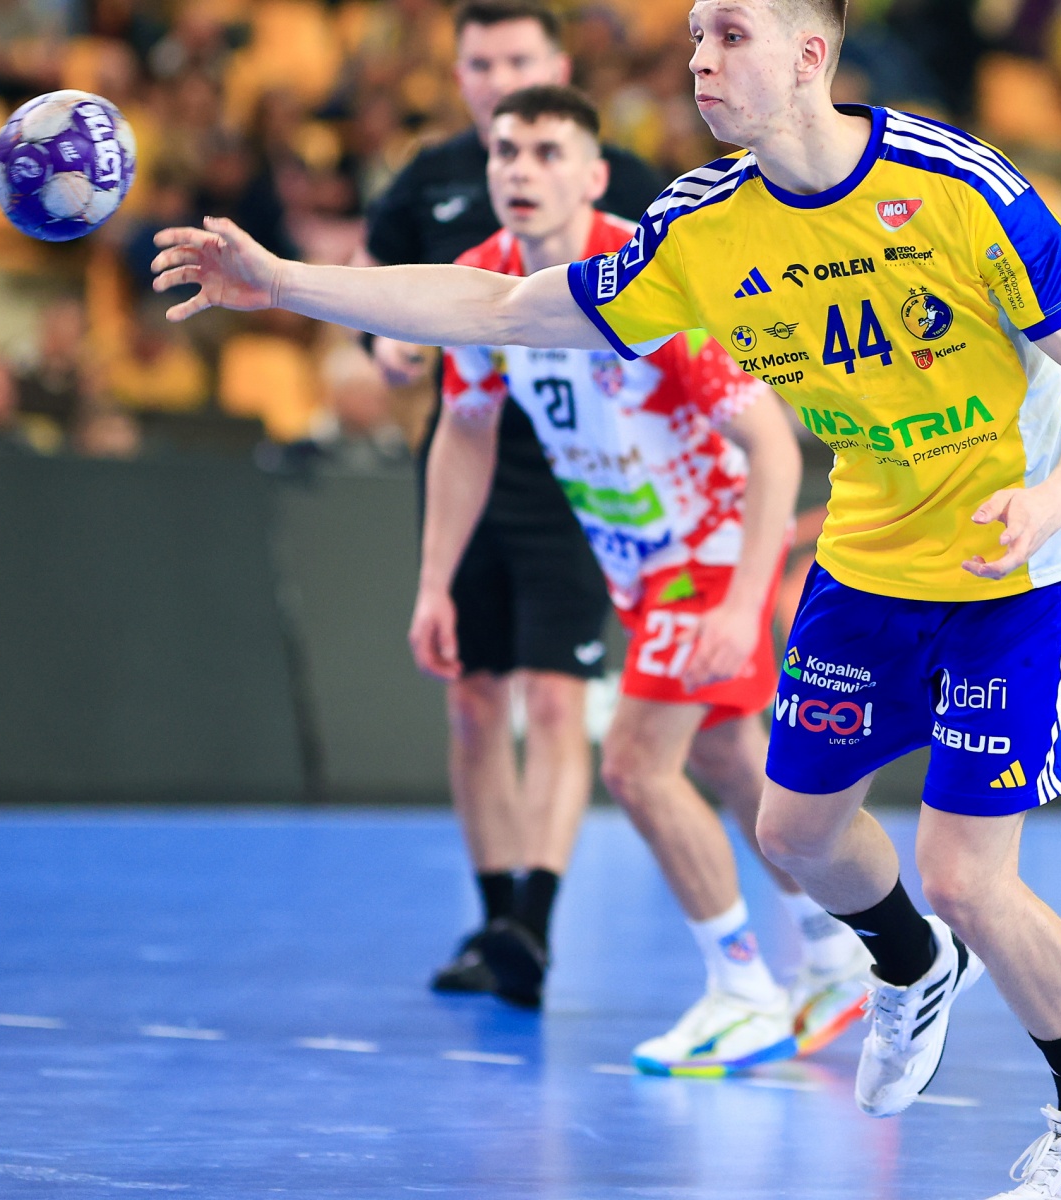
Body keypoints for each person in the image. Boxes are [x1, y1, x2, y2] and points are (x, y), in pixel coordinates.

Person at [152, 0, 1061, 1189]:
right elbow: (500, 308)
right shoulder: (698, 227)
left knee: (962, 876)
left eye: (729, 34)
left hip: (1019, 564)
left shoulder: (958, 187)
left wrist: (1049, 500)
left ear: (810, 54)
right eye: (694, 36)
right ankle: (908, 963)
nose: (699, 59)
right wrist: (284, 282)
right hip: (870, 554)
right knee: (793, 832)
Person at [417, 85, 872, 1073]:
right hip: (637, 561)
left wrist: (745, 603)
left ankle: (744, 991)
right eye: (505, 152)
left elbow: (771, 446)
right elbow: (465, 429)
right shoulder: (487, 282)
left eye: (547, 153)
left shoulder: (647, 281)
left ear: (592, 176)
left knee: (632, 764)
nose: (521, 171)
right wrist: (434, 582)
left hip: (707, 550)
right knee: (731, 758)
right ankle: (844, 950)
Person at [359, 0, 669, 1008]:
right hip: (472, 440)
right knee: (473, 698)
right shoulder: (431, 181)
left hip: (586, 469)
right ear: (458, 75)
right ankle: (494, 919)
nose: (499, 78)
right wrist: (384, 344)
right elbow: (375, 290)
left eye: (518, 59)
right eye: (481, 64)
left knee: (556, 695)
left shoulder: (620, 181)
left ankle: (533, 921)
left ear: (560, 64)